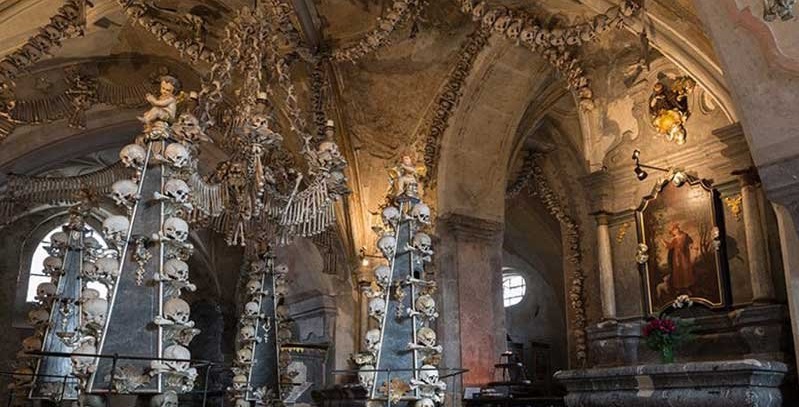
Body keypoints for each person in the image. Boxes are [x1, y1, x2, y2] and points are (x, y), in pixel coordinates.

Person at [662, 223, 695, 291]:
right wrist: (664, 242)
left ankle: (688, 286)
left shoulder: (684, 235)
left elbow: (690, 242)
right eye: (673, 231)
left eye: (675, 229)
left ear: (677, 229)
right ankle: (679, 288)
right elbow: (670, 246)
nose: (675, 231)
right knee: (678, 270)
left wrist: (691, 246)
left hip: (684, 255)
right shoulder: (674, 239)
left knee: (685, 268)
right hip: (677, 256)